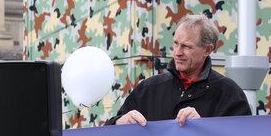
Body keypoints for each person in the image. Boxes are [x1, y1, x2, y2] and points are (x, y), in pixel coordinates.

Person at [106, 14, 251, 126]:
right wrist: (119, 122)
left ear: (207, 50)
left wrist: (204, 127)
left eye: (186, 46)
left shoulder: (229, 94)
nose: (177, 52)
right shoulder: (149, 89)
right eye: (176, 44)